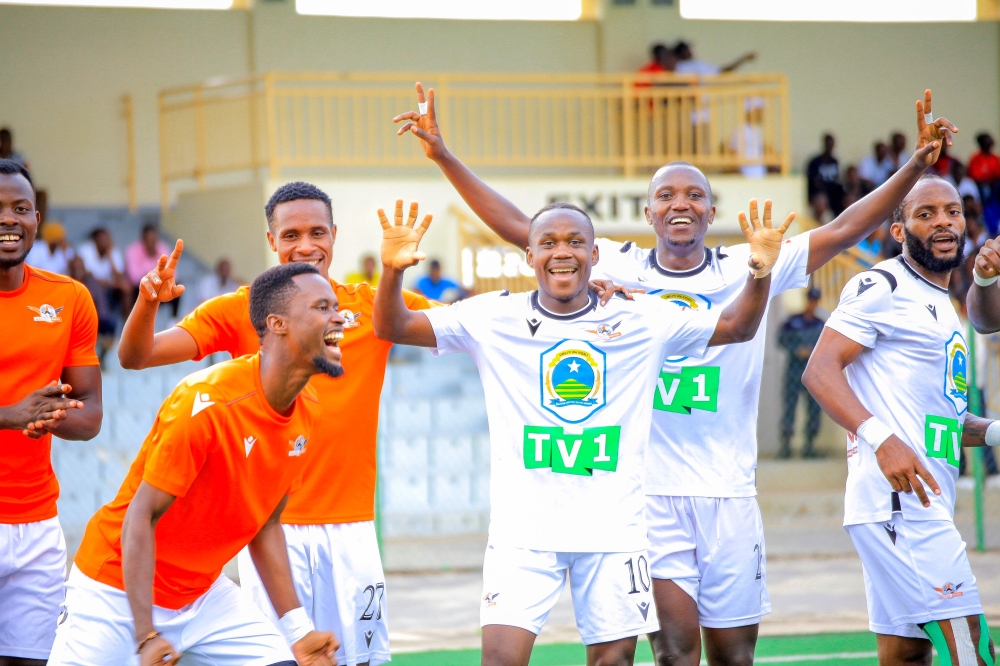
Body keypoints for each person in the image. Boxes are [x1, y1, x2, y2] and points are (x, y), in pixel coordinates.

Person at [395, 84, 957, 666]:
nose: (679, 204)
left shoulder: (750, 262)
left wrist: (915, 165)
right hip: (650, 496)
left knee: (734, 657)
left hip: (729, 489)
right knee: (674, 652)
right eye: (665, 195)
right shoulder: (614, 264)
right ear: (649, 213)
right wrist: (443, 155)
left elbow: (843, 230)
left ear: (712, 212)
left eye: (694, 195)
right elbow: (521, 225)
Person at [372, 195, 790, 666]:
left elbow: (736, 327)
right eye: (548, 242)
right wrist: (391, 271)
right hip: (522, 534)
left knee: (614, 662)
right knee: (500, 661)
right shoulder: (492, 317)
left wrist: (759, 272)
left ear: (594, 254)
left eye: (575, 242)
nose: (562, 252)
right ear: (529, 255)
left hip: (614, 533)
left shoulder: (642, 318)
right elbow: (392, 326)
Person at [116, 181, 434, 666]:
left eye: (317, 232)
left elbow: (476, 325)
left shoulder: (376, 306)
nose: (305, 246)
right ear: (271, 240)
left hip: (353, 529)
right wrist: (147, 302)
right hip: (270, 535)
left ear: (334, 235)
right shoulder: (243, 308)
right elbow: (137, 356)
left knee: (361, 660)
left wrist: (580, 293)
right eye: (290, 235)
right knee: (283, 658)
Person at [50, 262, 342, 665]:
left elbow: (266, 524)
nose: (339, 317)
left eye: (336, 307)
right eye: (323, 307)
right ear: (277, 324)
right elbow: (141, 517)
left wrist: (299, 632)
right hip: (116, 589)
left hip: (203, 595)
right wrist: (145, 634)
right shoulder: (206, 402)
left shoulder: (308, 409)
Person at [803, 175, 997, 666]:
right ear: (898, 231)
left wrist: (995, 432)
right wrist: (881, 439)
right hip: (901, 504)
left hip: (916, 502)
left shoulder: (943, 305)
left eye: (952, 211)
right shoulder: (883, 285)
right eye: (925, 214)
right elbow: (819, 370)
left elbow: (943, 422)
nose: (943, 222)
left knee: (906, 653)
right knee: (972, 648)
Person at [0, 158, 103, 665]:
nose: (9, 219)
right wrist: (10, 415)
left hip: (37, 526)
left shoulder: (69, 299)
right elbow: (16, 413)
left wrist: (48, 417)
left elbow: (91, 415)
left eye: (20, 208)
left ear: (36, 219)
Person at [777, 288, 825, 459]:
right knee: (789, 408)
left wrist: (812, 352)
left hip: (813, 372)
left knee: (813, 409)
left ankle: (810, 445)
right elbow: (781, 340)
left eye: (815, 301)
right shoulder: (793, 321)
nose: (813, 304)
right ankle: (786, 445)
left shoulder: (820, 324)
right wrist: (796, 349)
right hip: (794, 371)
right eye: (811, 300)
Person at [77, 226, 131, 321]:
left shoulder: (112, 251)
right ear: (95, 240)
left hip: (110, 286)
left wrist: (110, 257)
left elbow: (119, 277)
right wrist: (112, 283)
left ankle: (128, 322)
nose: (106, 242)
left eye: (108, 239)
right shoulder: (86, 250)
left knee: (126, 288)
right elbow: (88, 276)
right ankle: (103, 320)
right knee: (96, 287)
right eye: (103, 239)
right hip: (90, 286)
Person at [126, 224, 174, 317]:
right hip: (140, 287)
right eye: (149, 240)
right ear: (143, 240)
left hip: (159, 286)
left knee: (175, 286)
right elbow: (134, 277)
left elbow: (172, 273)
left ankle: (173, 319)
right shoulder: (133, 250)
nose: (152, 243)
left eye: (154, 239)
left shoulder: (162, 248)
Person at [806, 133, 844, 215]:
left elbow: (836, 179)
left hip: (832, 192)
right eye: (828, 144)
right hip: (819, 192)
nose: (830, 146)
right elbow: (813, 182)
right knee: (821, 202)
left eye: (832, 144)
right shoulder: (815, 162)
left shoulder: (834, 161)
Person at [673, 41, 755, 75]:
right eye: (688, 49)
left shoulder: (691, 64)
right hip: (696, 103)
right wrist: (743, 59)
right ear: (683, 52)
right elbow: (722, 72)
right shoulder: (684, 66)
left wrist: (742, 60)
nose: (691, 51)